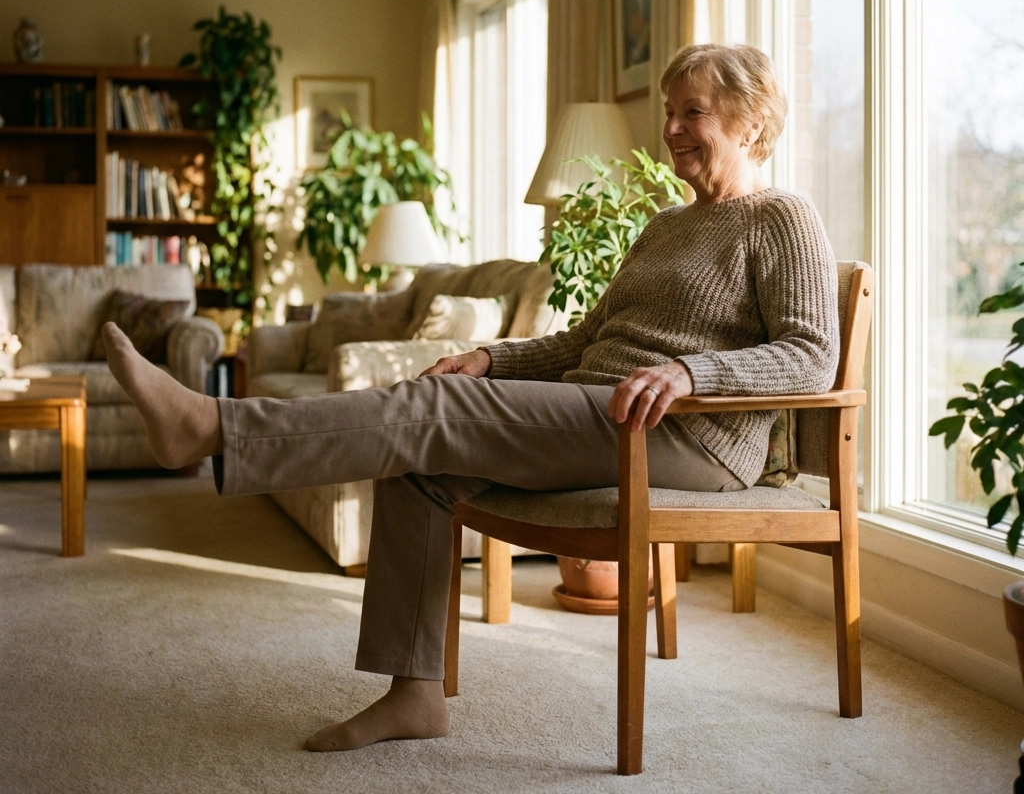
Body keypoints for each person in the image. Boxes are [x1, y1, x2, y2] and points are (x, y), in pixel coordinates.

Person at [103, 43, 839, 754]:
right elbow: (585, 339)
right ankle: (413, 696)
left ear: (748, 122)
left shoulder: (781, 217)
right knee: (424, 455)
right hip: (601, 411)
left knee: (432, 417)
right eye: (671, 112)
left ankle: (210, 427)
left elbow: (813, 355)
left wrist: (691, 375)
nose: (673, 129)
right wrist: (491, 357)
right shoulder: (665, 226)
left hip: (687, 435)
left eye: (694, 112)